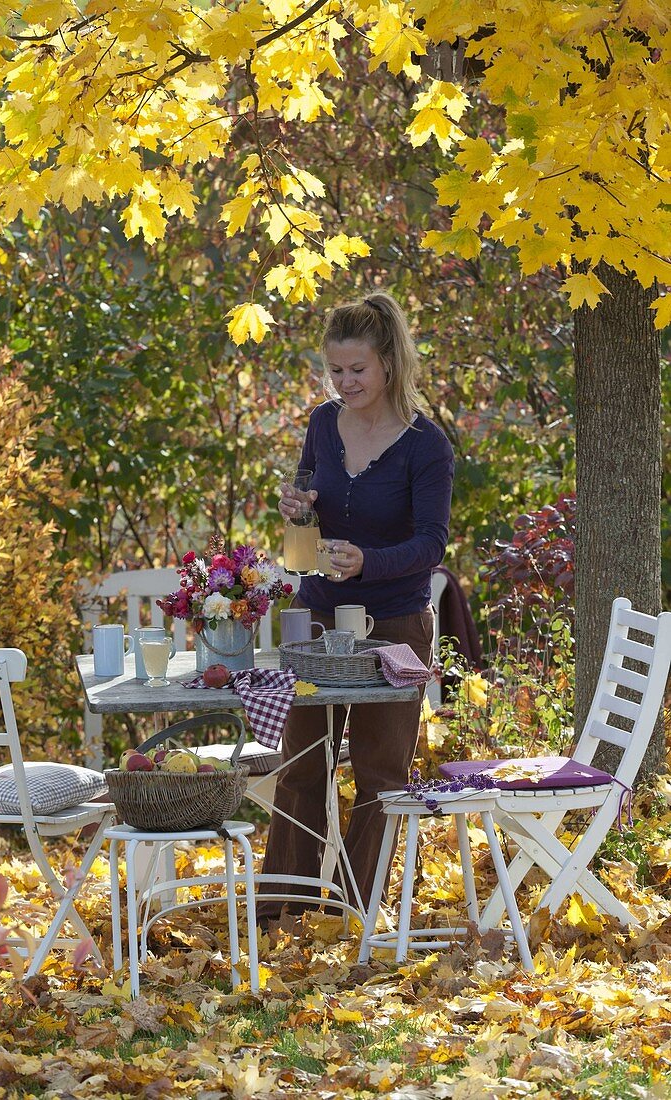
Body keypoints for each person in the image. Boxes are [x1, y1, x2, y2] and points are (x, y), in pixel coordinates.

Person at [258, 291, 455, 927]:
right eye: (336, 371)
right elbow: (312, 496)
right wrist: (298, 510)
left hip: (393, 628)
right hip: (317, 619)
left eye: (358, 370)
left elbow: (431, 543)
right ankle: (284, 911)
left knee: (379, 774)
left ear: (390, 364)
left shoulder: (427, 447)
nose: (346, 383)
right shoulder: (322, 422)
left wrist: (369, 561)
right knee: (300, 767)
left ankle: (358, 916)